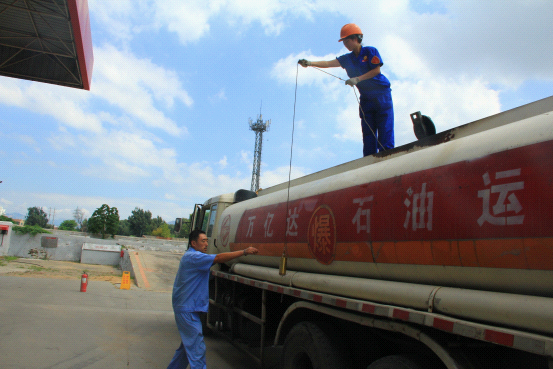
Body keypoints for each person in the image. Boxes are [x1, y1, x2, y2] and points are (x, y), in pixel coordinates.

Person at [298, 23, 394, 157]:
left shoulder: (370, 51)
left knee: (385, 128)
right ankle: (369, 160)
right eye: (343, 42)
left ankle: (387, 156)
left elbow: (376, 70)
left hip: (381, 95)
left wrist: (358, 79)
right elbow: (328, 63)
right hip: (366, 99)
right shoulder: (347, 59)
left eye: (347, 41)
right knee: (368, 132)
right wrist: (310, 63)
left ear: (356, 38)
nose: (345, 44)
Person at [167, 229, 258, 369]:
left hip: (187, 307)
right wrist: (244, 252)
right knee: (197, 349)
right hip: (187, 309)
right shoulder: (194, 257)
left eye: (207, 241)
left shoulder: (192, 257)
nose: (206, 244)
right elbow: (217, 258)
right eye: (203, 241)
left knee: (186, 349)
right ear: (193, 243)